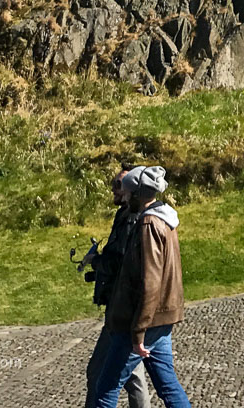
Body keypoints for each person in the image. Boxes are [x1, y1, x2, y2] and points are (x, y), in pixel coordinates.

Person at [89, 165, 192, 408]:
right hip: (160, 319)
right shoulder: (165, 218)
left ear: (137, 194)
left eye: (126, 193)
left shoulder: (148, 225)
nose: (122, 197)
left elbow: (150, 283)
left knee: (105, 388)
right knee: (168, 386)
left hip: (141, 322)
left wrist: (138, 333)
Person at [86, 165, 151, 408]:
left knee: (99, 372)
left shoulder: (134, 219)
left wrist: (98, 261)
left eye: (119, 184)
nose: (114, 189)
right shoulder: (123, 215)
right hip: (117, 302)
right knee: (134, 373)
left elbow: (122, 261)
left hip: (123, 307)